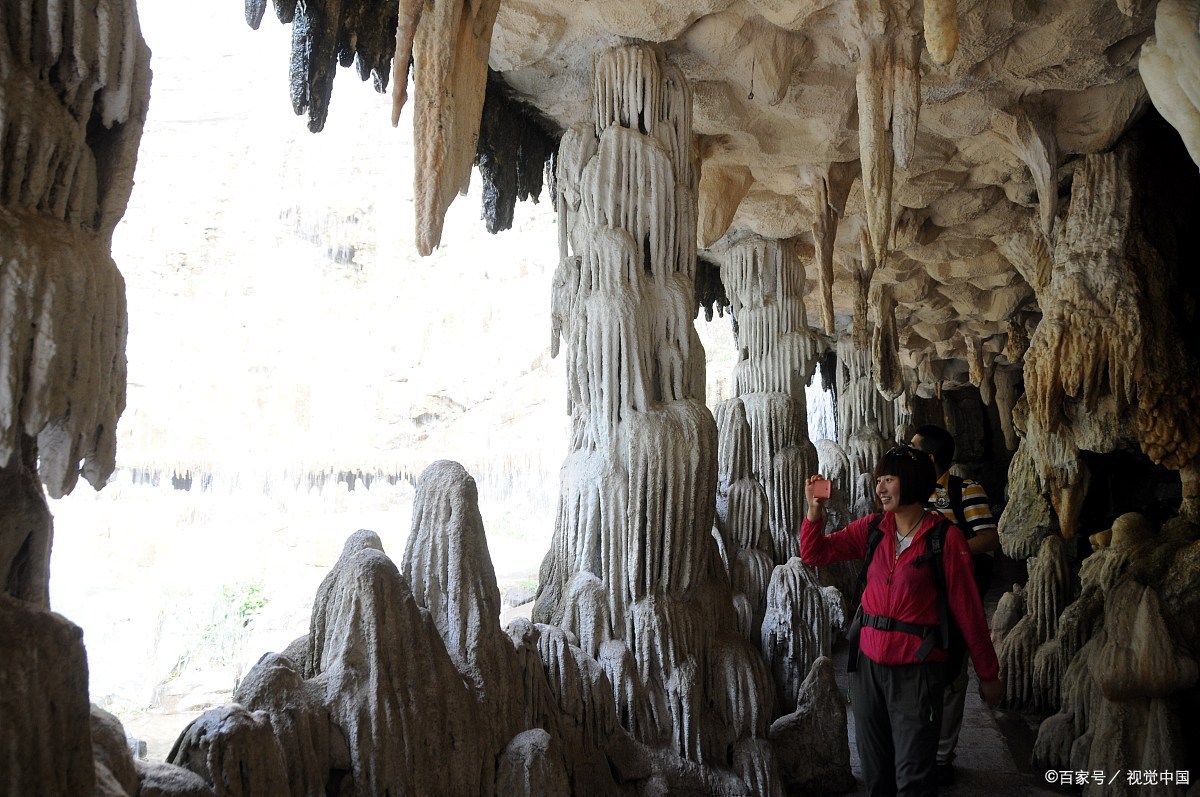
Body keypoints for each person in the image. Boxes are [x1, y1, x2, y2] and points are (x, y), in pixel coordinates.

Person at [799, 445, 1003, 797]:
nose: (880, 488)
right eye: (879, 480)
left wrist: (988, 675)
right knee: (876, 771)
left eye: (888, 480)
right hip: (867, 669)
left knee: (913, 776)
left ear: (910, 482)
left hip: (917, 671)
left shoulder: (944, 539)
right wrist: (814, 512)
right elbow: (815, 553)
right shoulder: (874, 529)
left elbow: (969, 611)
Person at [910, 425, 1000, 787]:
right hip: (914, 601)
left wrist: (948, 547)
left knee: (950, 679)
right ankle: (917, 750)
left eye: (912, 449)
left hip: (952, 597)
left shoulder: (964, 490)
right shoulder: (910, 492)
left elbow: (989, 537)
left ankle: (943, 756)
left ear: (930, 457)